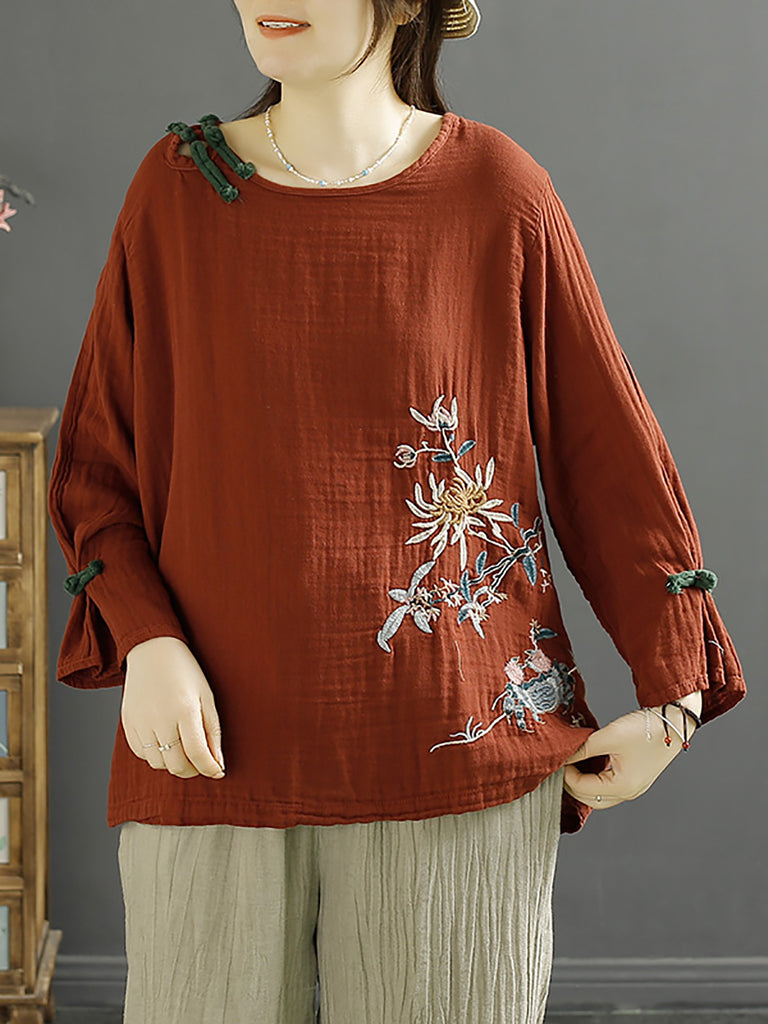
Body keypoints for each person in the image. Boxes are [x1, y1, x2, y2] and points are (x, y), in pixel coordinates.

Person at [47, 1, 747, 1022]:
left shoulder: (499, 190)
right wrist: (146, 638)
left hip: (456, 758)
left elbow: (610, 459)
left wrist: (675, 694)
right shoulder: (179, 192)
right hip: (209, 758)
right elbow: (95, 471)